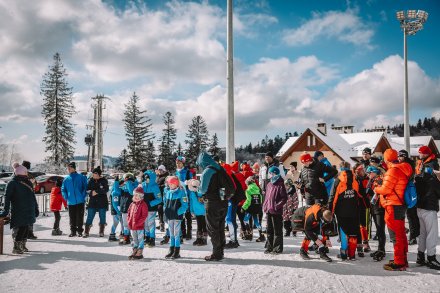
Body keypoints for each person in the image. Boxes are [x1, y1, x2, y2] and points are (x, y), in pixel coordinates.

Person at [374, 148, 412, 271]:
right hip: (400, 205)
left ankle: (399, 261)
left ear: (386, 159)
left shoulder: (393, 170)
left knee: (395, 236)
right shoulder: (402, 168)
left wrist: (376, 188)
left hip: (392, 206)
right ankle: (402, 258)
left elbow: (386, 190)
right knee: (400, 233)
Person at [197, 152, 235, 261]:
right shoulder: (220, 169)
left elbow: (202, 190)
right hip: (223, 202)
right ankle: (220, 251)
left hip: (212, 203)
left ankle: (216, 253)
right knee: (220, 227)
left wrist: (196, 189)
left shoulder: (207, 171)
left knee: (212, 228)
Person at [0, 163, 39, 254]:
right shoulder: (14, 183)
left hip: (25, 209)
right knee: (22, 227)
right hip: (21, 209)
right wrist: (6, 211)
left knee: (25, 226)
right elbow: (7, 197)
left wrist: (36, 208)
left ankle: (21, 245)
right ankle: (17, 246)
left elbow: (32, 196)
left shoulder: (21, 182)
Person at [329, 162, 362, 260]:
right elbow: (359, 195)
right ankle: (352, 254)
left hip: (341, 211)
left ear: (340, 169)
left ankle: (343, 253)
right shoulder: (355, 179)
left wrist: (331, 210)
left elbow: (333, 197)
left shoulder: (338, 181)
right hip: (354, 210)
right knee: (353, 232)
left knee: (343, 231)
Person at [414, 145, 440, 269]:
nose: (420, 155)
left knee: (423, 233)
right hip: (429, 205)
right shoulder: (432, 166)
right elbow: (435, 186)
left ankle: (420, 256)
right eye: (419, 153)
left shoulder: (421, 166)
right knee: (431, 233)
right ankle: (431, 257)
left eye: (422, 153)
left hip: (420, 204)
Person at [263, 166, 287, 254]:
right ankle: (269, 247)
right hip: (269, 210)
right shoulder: (269, 184)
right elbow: (267, 197)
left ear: (274, 173)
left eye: (270, 173)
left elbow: (284, 198)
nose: (269, 175)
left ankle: (277, 248)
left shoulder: (280, 184)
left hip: (276, 211)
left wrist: (277, 206)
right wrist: (265, 206)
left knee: (277, 230)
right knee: (269, 230)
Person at [163, 176, 188, 259]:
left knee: (176, 233)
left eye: (171, 184)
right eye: (169, 184)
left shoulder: (181, 192)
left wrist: (178, 212)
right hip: (170, 216)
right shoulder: (168, 192)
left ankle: (177, 251)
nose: (170, 186)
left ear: (176, 184)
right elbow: (165, 203)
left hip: (177, 217)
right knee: (171, 233)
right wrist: (166, 210)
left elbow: (185, 205)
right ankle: (171, 249)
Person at [365, 166, 386, 261]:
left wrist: (371, 193)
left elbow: (381, 192)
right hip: (374, 207)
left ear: (374, 172)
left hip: (379, 208)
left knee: (380, 229)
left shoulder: (380, 179)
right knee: (378, 229)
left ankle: (382, 250)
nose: (368, 174)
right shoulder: (372, 179)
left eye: (369, 172)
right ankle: (379, 249)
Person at [397, 149, 418, 245]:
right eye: (398, 156)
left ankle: (413, 236)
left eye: (400, 156)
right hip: (406, 191)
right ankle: (412, 235)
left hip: (408, 191)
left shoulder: (406, 165)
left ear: (404, 156)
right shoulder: (407, 164)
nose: (399, 158)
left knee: (410, 215)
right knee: (409, 215)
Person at [61, 162, 88, 237]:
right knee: (72, 217)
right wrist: (65, 196)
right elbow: (63, 189)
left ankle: (79, 231)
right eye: (68, 168)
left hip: (80, 201)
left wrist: (82, 196)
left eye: (70, 167)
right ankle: (73, 231)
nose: (68, 169)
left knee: (80, 216)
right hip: (70, 201)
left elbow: (85, 187)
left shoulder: (81, 177)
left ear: (74, 168)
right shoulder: (66, 179)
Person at [112, 173, 137, 245]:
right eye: (125, 179)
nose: (125, 181)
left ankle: (135, 239)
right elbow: (116, 191)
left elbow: (132, 192)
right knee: (126, 224)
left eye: (127, 179)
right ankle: (126, 238)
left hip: (132, 208)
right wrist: (116, 182)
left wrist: (129, 182)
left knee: (133, 224)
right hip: (124, 208)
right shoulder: (123, 188)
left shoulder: (135, 186)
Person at [84, 166, 109, 238]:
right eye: (93, 175)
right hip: (92, 202)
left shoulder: (104, 180)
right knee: (90, 216)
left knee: (102, 216)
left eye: (96, 175)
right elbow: (87, 190)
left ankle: (101, 231)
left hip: (102, 202)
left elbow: (106, 189)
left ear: (99, 175)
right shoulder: (90, 180)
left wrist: (97, 191)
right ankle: (86, 231)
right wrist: (91, 192)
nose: (94, 176)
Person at [127, 185, 149, 260]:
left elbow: (144, 216)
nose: (136, 197)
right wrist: (129, 221)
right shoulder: (132, 204)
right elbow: (129, 213)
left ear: (141, 196)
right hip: (132, 226)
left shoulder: (143, 204)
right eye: (135, 195)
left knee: (140, 239)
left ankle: (140, 251)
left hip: (139, 226)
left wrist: (138, 223)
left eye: (138, 195)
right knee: (134, 238)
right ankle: (135, 249)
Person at [142, 170, 162, 247]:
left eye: (148, 178)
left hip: (151, 209)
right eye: (145, 177)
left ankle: (152, 238)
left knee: (150, 224)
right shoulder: (143, 185)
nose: (146, 179)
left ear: (151, 178)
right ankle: (147, 237)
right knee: (145, 224)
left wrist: (150, 203)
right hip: (144, 208)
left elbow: (159, 199)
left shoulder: (155, 186)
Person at [241, 176, 265, 242]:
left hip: (251, 208)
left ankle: (249, 234)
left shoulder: (248, 190)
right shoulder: (257, 189)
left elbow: (248, 201)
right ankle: (261, 235)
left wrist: (243, 207)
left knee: (245, 220)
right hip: (257, 207)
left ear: (247, 183)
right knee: (256, 221)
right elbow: (261, 199)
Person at [175, 156, 193, 240]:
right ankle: (183, 232)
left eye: (179, 163)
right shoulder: (175, 172)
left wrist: (186, 183)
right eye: (177, 163)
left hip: (187, 194)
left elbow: (192, 182)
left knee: (188, 214)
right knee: (180, 213)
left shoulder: (187, 172)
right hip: (179, 195)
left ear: (183, 163)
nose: (178, 164)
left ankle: (189, 232)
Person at [188, 179, 208, 246]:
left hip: (203, 212)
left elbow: (205, 201)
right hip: (197, 212)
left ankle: (204, 240)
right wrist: (191, 211)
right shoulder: (192, 193)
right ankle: (199, 239)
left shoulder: (201, 192)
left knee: (203, 225)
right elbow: (191, 202)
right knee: (199, 225)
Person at [21, 160, 38, 240]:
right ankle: (28, 233)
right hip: (28, 197)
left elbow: (35, 184)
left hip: (23, 198)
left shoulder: (18, 173)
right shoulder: (29, 175)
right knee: (29, 216)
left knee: (26, 217)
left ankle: (26, 234)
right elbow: (34, 184)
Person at [156, 165, 168, 232]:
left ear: (164, 170)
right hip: (158, 196)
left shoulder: (166, 177)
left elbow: (166, 185)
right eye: (159, 170)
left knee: (163, 209)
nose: (160, 171)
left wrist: (159, 186)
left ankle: (164, 224)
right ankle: (161, 223)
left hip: (164, 195)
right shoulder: (157, 177)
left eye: (161, 170)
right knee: (159, 210)